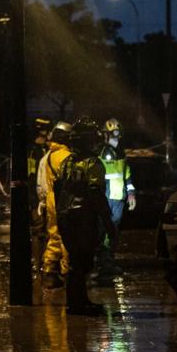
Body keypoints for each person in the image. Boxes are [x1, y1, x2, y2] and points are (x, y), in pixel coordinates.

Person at [53, 118, 118, 315]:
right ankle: (78, 304)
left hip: (65, 218)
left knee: (75, 261)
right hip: (83, 219)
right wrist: (108, 222)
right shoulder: (93, 164)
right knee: (83, 262)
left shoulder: (65, 163)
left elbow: (58, 190)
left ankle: (76, 302)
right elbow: (96, 195)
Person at [97, 118, 136, 275]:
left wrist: (131, 194)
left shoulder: (121, 152)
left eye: (117, 135)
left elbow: (126, 174)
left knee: (112, 231)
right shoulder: (102, 152)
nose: (116, 138)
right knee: (106, 230)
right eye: (113, 135)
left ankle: (108, 260)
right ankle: (104, 262)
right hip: (107, 198)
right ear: (105, 135)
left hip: (118, 197)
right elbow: (100, 176)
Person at [36, 121, 72, 289]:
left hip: (50, 199)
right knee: (68, 236)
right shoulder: (69, 156)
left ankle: (49, 271)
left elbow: (41, 183)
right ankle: (67, 271)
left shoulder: (47, 157)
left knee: (54, 235)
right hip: (65, 200)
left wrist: (42, 201)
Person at [27, 118, 53, 274]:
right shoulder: (33, 151)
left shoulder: (45, 149)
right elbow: (31, 176)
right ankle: (38, 263)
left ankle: (44, 261)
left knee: (48, 230)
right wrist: (33, 200)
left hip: (46, 197)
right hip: (37, 198)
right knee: (38, 230)